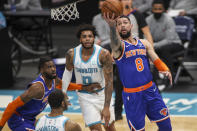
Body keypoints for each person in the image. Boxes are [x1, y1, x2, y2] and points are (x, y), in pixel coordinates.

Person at [103, 13, 172, 130]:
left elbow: (156, 59)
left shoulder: (144, 43)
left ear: (131, 26)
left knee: (166, 127)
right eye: (119, 24)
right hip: (132, 95)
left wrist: (165, 69)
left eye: (125, 23)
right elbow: (114, 43)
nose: (122, 26)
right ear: (117, 28)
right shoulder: (119, 48)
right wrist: (111, 27)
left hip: (151, 91)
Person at [0, 56, 99, 131]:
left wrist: (84, 87)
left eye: (53, 66)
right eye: (49, 67)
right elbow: (12, 106)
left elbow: (64, 85)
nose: (53, 69)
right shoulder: (37, 88)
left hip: (30, 119)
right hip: (18, 119)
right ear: (42, 70)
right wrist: (1, 125)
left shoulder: (53, 80)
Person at [61, 24, 116, 131]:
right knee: (95, 129)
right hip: (84, 96)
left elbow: (109, 82)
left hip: (102, 94)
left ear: (94, 38)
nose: (87, 39)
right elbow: (67, 73)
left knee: (110, 127)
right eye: (84, 36)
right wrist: (63, 92)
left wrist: (106, 107)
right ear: (80, 39)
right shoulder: (71, 54)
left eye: (90, 36)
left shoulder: (103, 54)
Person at [146, 0, 184, 77]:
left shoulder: (169, 20)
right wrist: (150, 45)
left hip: (174, 43)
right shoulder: (148, 20)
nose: (157, 11)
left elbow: (169, 40)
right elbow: (145, 36)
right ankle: (149, 77)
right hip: (156, 44)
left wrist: (153, 45)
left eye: (159, 9)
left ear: (163, 10)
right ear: (152, 10)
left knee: (164, 50)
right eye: (155, 9)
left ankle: (169, 76)